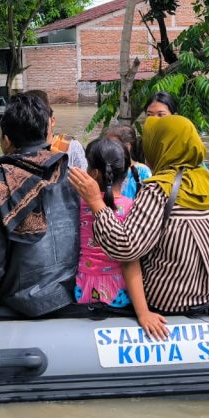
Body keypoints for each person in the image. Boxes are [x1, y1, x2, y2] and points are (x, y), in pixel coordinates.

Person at [69, 114, 209, 313]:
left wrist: (96, 203)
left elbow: (125, 248)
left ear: (161, 147)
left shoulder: (158, 190)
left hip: (174, 302)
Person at [0, 92, 80, 316]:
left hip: (20, 301)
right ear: (47, 131)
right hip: (70, 291)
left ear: (7, 140)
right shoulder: (73, 177)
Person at [75, 138, 167, 339]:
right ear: (126, 173)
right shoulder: (132, 207)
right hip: (121, 291)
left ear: (94, 173)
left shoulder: (79, 205)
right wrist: (143, 313)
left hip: (83, 288)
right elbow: (130, 261)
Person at [22, 89, 87, 169]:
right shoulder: (19, 149)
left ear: (52, 121)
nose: (36, 125)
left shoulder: (71, 146)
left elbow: (83, 177)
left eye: (40, 120)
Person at [103, 123, 151, 200]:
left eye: (112, 145)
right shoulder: (106, 167)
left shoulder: (142, 171)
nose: (107, 148)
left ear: (127, 147)